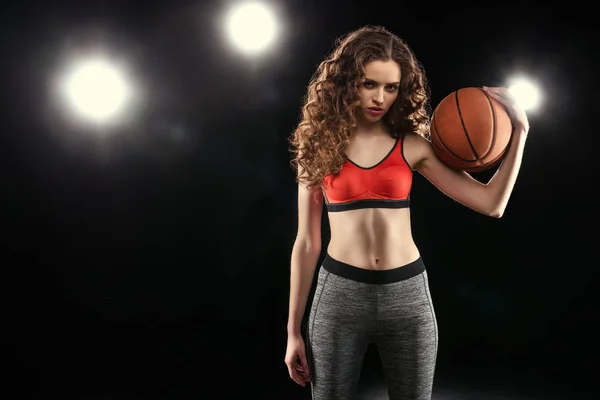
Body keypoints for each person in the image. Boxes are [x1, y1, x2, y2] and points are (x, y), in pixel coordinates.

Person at [284, 25, 529, 400]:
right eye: (369, 84)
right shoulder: (317, 148)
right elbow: (305, 244)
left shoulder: (414, 146)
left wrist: (521, 133)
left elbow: (492, 204)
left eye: (391, 87)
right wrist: (292, 331)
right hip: (339, 298)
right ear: (348, 81)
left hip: (408, 297)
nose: (379, 97)